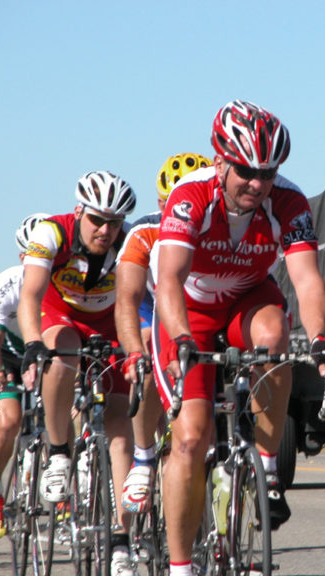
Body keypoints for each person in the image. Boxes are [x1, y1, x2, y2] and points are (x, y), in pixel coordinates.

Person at [153, 100, 325, 576]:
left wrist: (321, 339)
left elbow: (305, 280)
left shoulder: (289, 202)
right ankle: (179, 567)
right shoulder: (189, 197)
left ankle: (266, 465)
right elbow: (170, 280)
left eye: (268, 172)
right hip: (190, 310)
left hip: (245, 298)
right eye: (245, 171)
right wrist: (180, 338)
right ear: (219, 160)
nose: (258, 185)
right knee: (190, 440)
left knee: (275, 332)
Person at [18, 171, 140, 576]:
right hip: (60, 316)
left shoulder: (128, 242)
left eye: (115, 222)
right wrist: (34, 341)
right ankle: (57, 453)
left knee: (122, 428)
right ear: (78, 212)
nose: (106, 230)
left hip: (109, 326)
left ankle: (122, 541)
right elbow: (30, 294)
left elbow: (145, 296)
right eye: (97, 220)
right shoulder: (52, 233)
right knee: (62, 352)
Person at [116, 152, 211, 514]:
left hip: (201, 311)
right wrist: (133, 351)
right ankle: (143, 458)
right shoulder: (145, 232)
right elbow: (128, 297)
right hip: (153, 307)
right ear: (160, 203)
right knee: (145, 356)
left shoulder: (215, 224)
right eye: (174, 203)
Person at [0, 213, 50, 538]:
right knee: (9, 419)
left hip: (46, 353)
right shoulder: (6, 284)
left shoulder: (65, 281)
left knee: (65, 410)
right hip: (8, 357)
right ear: (22, 257)